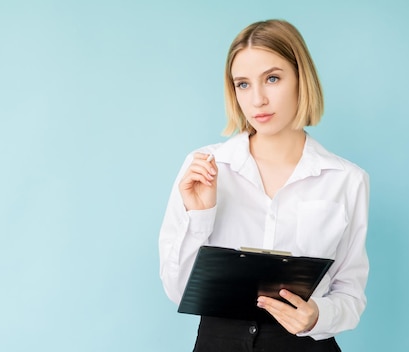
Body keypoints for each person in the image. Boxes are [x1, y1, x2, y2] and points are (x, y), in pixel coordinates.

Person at [158, 19, 369, 352]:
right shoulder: (205, 168)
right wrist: (200, 214)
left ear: (301, 79)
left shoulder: (347, 180)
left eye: (272, 78)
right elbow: (178, 289)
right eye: (243, 84)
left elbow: (350, 294)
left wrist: (317, 316)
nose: (257, 99)